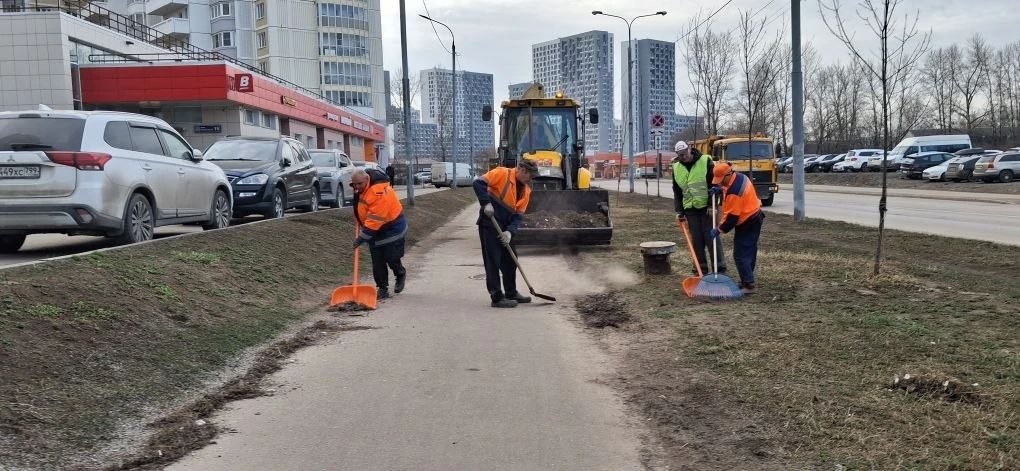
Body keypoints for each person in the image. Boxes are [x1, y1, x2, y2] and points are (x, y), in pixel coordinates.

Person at [472, 160, 539, 308]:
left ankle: (511, 292)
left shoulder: (527, 190)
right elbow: (478, 183)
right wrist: (486, 203)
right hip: (490, 223)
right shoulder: (502, 173)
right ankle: (496, 297)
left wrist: (510, 231)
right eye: (530, 175)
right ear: (521, 169)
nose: (531, 179)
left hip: (506, 225)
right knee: (493, 261)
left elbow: (518, 215)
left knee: (510, 260)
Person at [672, 140, 726, 276]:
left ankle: (719, 270)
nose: (683, 157)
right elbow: (677, 192)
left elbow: (715, 186)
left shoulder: (705, 161)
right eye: (680, 155)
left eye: (684, 153)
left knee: (711, 239)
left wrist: (711, 205)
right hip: (690, 209)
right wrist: (679, 211)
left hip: (706, 208)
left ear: (689, 149)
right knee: (696, 241)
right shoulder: (676, 167)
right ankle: (700, 270)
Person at [351, 168, 407, 299]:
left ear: (367, 179)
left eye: (359, 184)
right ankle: (382, 288)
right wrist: (359, 219)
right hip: (374, 229)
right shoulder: (360, 188)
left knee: (391, 257)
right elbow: (360, 206)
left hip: (392, 227)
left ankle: (400, 273)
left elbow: (375, 218)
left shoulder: (379, 192)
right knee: (377, 261)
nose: (357, 187)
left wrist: (362, 238)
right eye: (355, 184)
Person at [709, 162, 764, 295]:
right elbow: (727, 188)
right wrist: (720, 191)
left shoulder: (734, 191)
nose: (720, 183)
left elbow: (732, 218)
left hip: (748, 221)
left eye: (721, 181)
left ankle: (749, 285)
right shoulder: (740, 177)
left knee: (740, 255)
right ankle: (746, 280)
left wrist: (719, 229)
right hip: (755, 216)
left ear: (728, 174)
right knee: (749, 251)